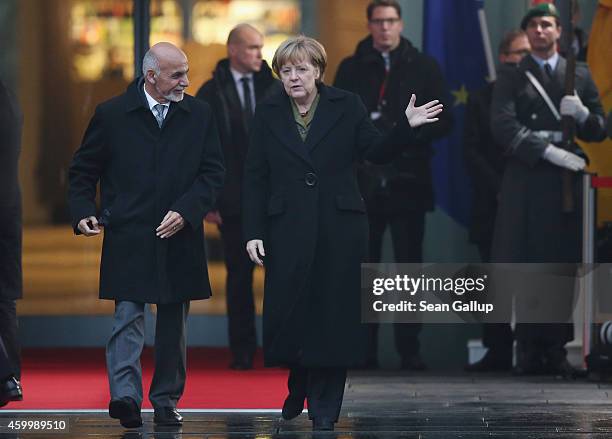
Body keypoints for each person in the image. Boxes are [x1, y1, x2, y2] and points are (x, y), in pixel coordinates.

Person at [242, 36, 443, 431]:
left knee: (334, 316)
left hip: (340, 226)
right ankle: (298, 380)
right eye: (286, 70)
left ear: (318, 70)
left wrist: (406, 127)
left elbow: (375, 150)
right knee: (293, 313)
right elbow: (254, 176)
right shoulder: (267, 112)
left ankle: (325, 408)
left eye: (301, 69)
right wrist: (253, 231)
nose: (294, 77)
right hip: (288, 227)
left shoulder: (347, 105)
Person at [68, 42, 225, 428]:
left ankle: (166, 400)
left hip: (179, 234)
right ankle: (125, 396)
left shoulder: (199, 114)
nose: (186, 82)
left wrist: (188, 211)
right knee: (127, 316)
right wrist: (84, 211)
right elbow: (83, 170)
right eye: (177, 75)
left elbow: (213, 173)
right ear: (150, 76)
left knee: (173, 323)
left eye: (186, 72)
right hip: (130, 231)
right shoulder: (112, 114)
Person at [333, 0, 453, 370]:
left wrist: (404, 135)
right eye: (378, 21)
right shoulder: (351, 68)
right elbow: (339, 122)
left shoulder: (424, 66)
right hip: (363, 185)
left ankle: (408, 349)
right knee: (365, 270)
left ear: (400, 24)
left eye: (391, 21)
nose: (385, 28)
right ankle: (364, 350)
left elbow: (444, 120)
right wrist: (375, 137)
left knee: (408, 272)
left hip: (409, 181)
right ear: (369, 25)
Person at [490, 3, 606, 377]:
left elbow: (599, 129)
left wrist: (586, 116)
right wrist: (548, 152)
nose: (540, 31)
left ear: (559, 31)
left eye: (547, 24)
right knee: (527, 265)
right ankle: (527, 347)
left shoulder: (579, 74)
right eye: (534, 26)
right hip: (528, 177)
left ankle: (555, 347)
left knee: (560, 265)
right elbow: (502, 124)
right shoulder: (512, 75)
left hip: (563, 186)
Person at [196, 24, 279, 370]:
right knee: (239, 277)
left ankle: (279, 346)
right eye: (252, 48)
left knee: (280, 276)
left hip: (274, 200)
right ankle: (242, 349)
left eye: (261, 47)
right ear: (233, 50)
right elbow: (200, 149)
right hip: (232, 201)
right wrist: (208, 201)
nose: (260, 54)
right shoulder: (211, 92)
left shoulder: (274, 88)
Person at [463, 30, 531, 372]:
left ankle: (539, 349)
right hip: (494, 203)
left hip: (535, 202)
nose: (525, 58)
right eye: (519, 53)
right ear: (504, 57)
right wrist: (500, 188)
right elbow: (471, 152)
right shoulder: (481, 99)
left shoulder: (539, 97)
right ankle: (499, 348)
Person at [0, 77, 24, 407]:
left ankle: (5, 375)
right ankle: (9, 377)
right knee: (3, 298)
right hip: (7, 205)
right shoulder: (8, 95)